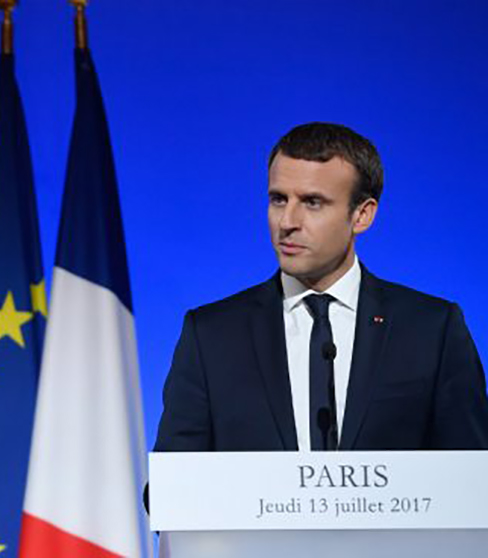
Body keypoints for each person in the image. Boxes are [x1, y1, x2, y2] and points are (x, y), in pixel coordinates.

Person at [155, 122, 488, 452]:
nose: (287, 222)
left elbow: (472, 479)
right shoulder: (212, 334)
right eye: (278, 199)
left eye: (312, 202)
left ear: (362, 215)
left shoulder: (431, 329)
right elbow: (172, 486)